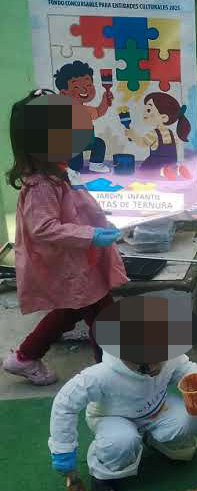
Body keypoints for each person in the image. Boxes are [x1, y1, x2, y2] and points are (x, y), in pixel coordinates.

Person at [2, 90, 127, 385]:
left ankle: (24, 357)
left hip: (79, 258)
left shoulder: (56, 172)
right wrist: (91, 234)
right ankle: (110, 377)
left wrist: (98, 215)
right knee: (103, 315)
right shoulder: (40, 186)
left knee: (71, 309)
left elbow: (74, 208)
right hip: (69, 263)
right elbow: (43, 228)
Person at [48, 296, 197, 491]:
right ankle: (104, 472)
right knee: (121, 441)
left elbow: (184, 367)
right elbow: (65, 403)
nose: (155, 368)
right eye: (145, 364)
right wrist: (63, 448)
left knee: (188, 419)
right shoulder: (102, 374)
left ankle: (157, 440)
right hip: (113, 416)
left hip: (156, 407)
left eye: (159, 359)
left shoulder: (166, 353)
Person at [54, 61, 114, 185]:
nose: (84, 89)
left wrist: (105, 99)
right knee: (76, 161)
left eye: (88, 84)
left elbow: (99, 112)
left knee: (99, 143)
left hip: (88, 140)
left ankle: (95, 164)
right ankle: (71, 171)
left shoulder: (86, 109)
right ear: (63, 93)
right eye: (76, 87)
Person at [124, 92, 192, 179]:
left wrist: (133, 135)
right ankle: (177, 169)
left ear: (164, 117)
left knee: (143, 171)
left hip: (156, 164)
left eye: (148, 110)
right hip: (171, 162)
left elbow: (142, 144)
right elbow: (176, 147)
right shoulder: (172, 133)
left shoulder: (153, 134)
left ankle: (164, 171)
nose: (144, 113)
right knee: (170, 167)